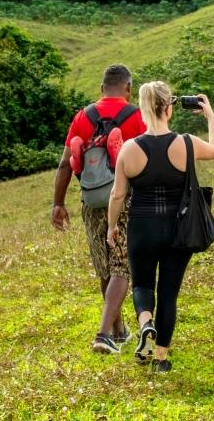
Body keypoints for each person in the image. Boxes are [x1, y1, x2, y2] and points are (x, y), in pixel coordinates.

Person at [108, 81, 214, 371]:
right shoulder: (187, 143)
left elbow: (117, 195)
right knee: (169, 293)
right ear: (168, 108)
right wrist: (209, 115)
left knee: (142, 284)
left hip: (141, 227)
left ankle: (146, 323)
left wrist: (111, 226)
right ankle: (160, 359)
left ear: (143, 109)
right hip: (178, 228)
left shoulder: (129, 149)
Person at [50, 64, 147, 354]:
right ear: (128, 88)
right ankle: (104, 335)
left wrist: (58, 203)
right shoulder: (136, 116)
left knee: (105, 267)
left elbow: (66, 164)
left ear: (102, 88)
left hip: (91, 201)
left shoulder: (83, 116)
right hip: (125, 200)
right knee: (121, 267)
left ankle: (119, 331)